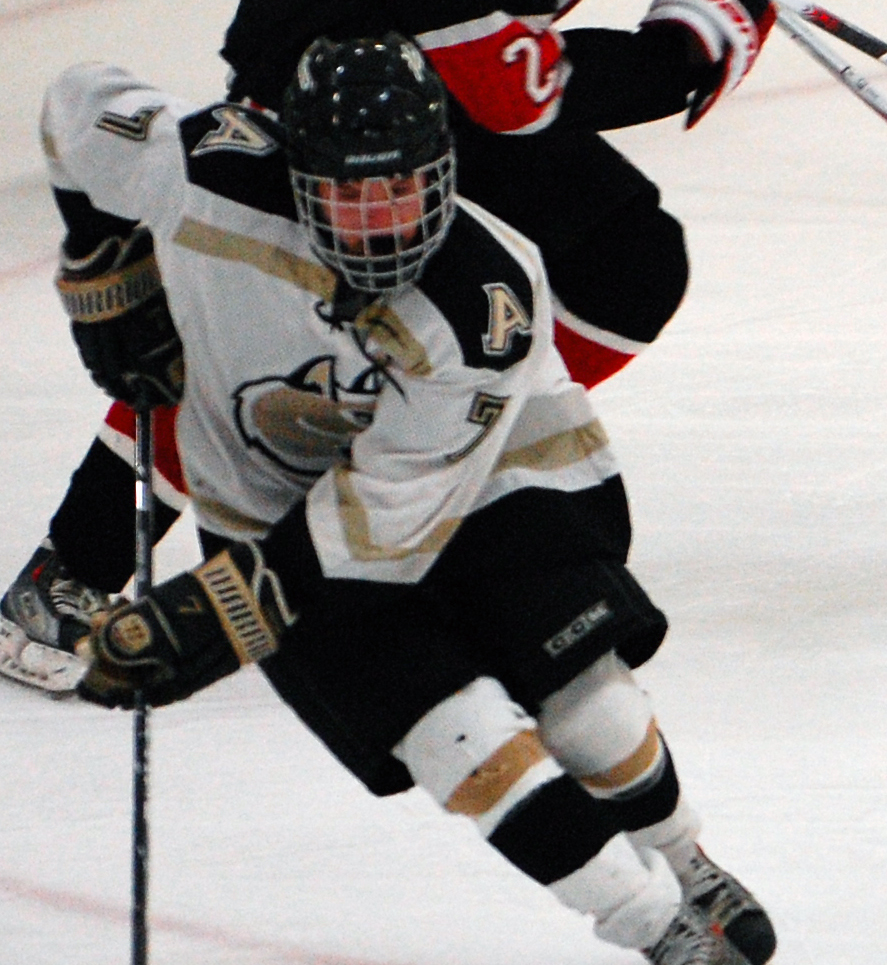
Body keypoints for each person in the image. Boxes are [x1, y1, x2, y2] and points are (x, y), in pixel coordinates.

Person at [44, 35, 784, 965]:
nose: (381, 225)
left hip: (494, 475)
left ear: (445, 167)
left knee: (581, 694)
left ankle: (690, 868)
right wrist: (102, 262)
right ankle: (665, 934)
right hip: (274, 510)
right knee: (451, 737)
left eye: (403, 192)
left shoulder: (483, 302)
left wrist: (208, 613)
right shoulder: (206, 168)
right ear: (299, 175)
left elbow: (379, 521)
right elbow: (79, 100)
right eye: (350, 200)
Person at [2, 0, 769, 693]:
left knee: (626, 263)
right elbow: (519, 92)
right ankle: (72, 565)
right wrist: (690, 45)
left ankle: (421, 462)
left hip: (428, 85)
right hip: (334, 110)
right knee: (272, 338)